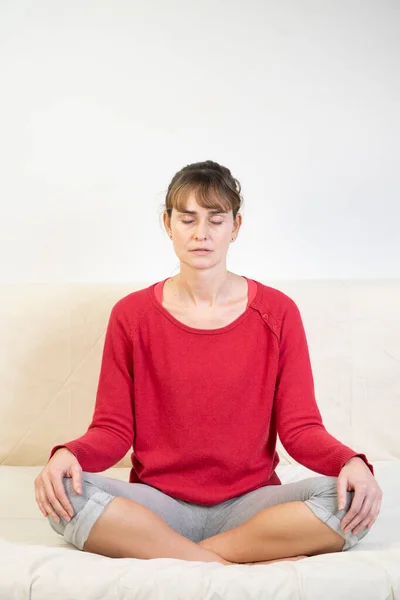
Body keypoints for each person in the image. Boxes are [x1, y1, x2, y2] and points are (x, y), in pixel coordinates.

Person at [34, 160, 382, 566]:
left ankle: (182, 556)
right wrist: (68, 454)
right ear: (168, 224)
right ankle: (219, 561)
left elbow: (300, 428)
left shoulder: (278, 312)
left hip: (253, 507)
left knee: (355, 501)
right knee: (63, 493)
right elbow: (112, 430)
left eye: (216, 220)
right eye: (188, 219)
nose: (201, 234)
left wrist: (350, 461)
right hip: (156, 505)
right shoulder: (131, 316)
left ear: (235, 227)